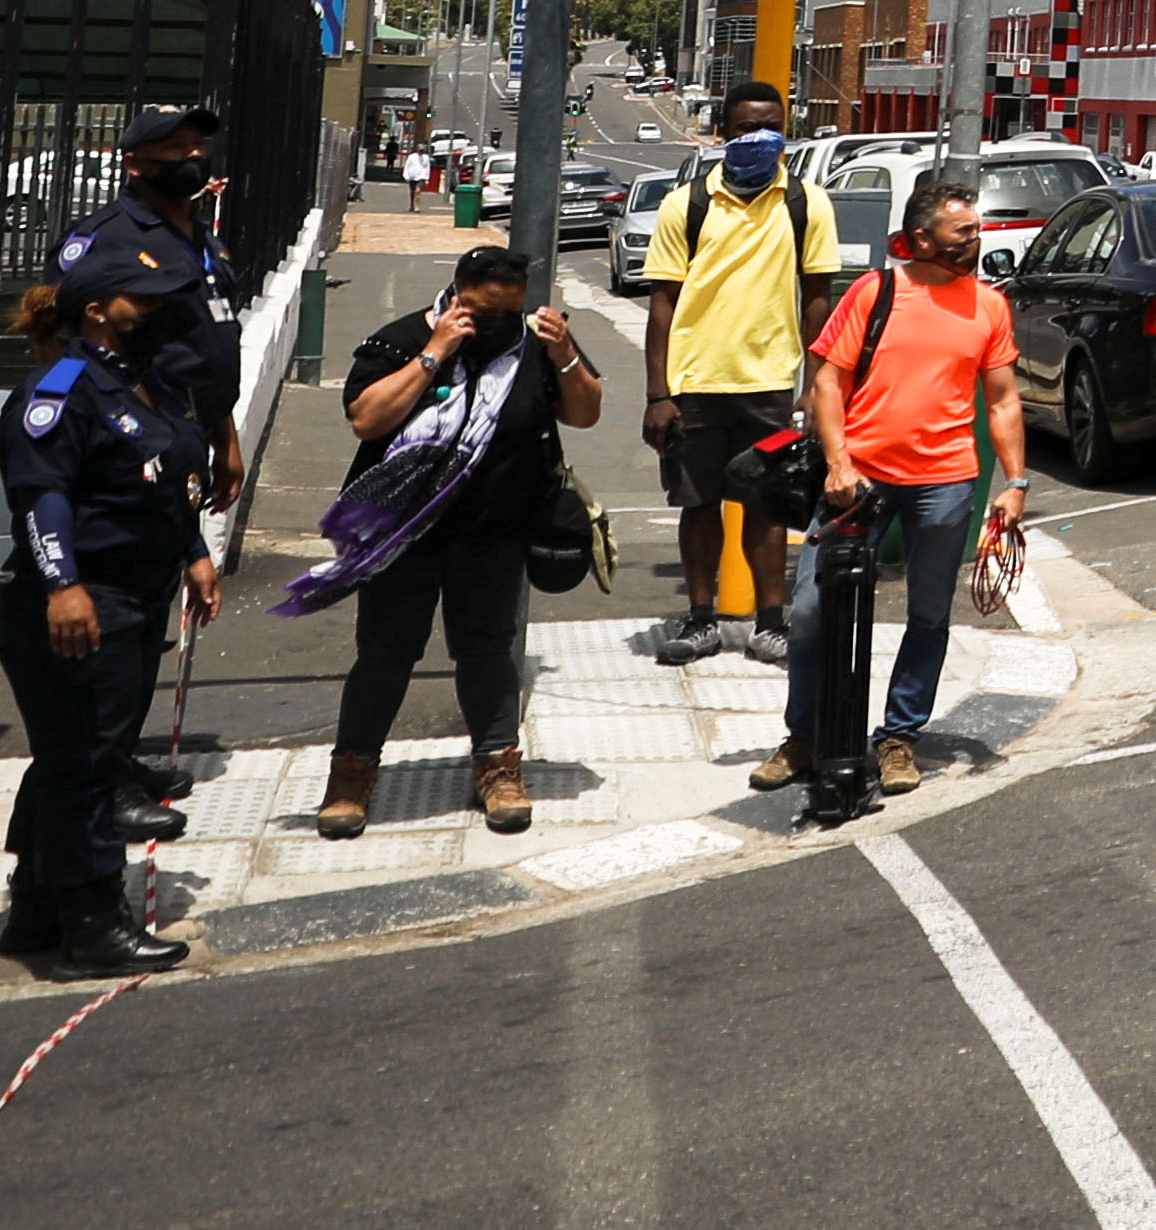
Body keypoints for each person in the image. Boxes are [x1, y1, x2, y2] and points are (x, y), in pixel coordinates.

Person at [309, 241, 597, 839]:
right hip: (403, 535)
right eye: (479, 311)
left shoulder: (532, 346)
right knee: (385, 656)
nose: (492, 323)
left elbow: (586, 413)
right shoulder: (399, 339)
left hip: (493, 536)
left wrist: (564, 353)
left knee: (488, 652)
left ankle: (498, 767)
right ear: (455, 295)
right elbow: (367, 418)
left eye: (505, 313)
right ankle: (352, 773)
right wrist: (436, 352)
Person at [0, 259, 216, 977]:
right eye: (144, 299)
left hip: (133, 598)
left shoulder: (146, 381)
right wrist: (63, 584)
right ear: (95, 310)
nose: (160, 310)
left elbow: (163, 482)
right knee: (86, 766)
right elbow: (41, 495)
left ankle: (35, 906)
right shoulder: (59, 390)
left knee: (77, 754)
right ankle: (91, 924)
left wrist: (193, 552)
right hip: (75, 603)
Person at [795, 165, 1026, 824]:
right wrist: (838, 463)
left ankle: (899, 737)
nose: (973, 240)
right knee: (813, 609)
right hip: (859, 482)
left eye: (976, 230)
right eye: (960, 231)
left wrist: (1012, 484)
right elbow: (827, 381)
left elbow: (1003, 401)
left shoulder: (988, 305)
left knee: (928, 614)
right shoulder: (875, 292)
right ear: (920, 238)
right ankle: (805, 735)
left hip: (947, 480)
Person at [628, 86, 844, 666]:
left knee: (769, 508)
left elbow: (817, 297)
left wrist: (814, 379)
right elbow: (662, 305)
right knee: (698, 506)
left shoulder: (806, 202)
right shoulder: (686, 205)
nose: (760, 139)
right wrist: (658, 393)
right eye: (747, 128)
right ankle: (701, 620)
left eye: (771, 127)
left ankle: (770, 624)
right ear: (722, 133)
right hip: (695, 385)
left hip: (770, 385)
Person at [51, 102, 247, 517]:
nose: (193, 155)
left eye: (198, 144)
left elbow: (207, 349)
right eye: (176, 146)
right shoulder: (106, 241)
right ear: (134, 163)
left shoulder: (206, 242)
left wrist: (226, 442)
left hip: (191, 437)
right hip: (129, 446)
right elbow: (57, 345)